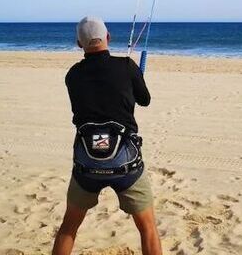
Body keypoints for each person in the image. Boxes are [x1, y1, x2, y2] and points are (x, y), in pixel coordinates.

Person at [51, 16, 162, 255]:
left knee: (69, 228)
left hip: (87, 162)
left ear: (79, 44)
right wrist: (135, 77)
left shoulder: (73, 76)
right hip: (125, 163)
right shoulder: (127, 67)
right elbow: (145, 100)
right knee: (148, 229)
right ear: (108, 38)